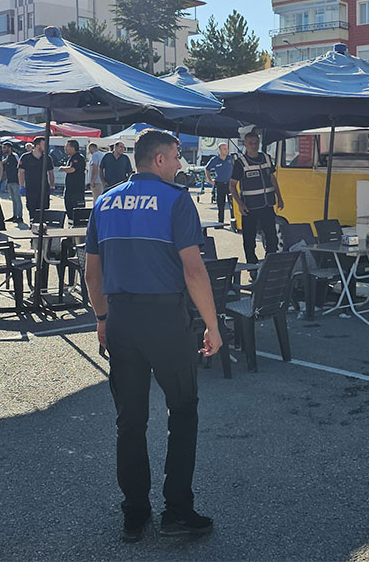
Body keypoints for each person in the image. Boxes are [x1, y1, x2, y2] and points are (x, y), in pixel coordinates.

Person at [84, 129, 220, 543]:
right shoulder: (177, 200)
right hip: (164, 318)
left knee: (130, 421)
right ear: (158, 160)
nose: (180, 164)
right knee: (183, 409)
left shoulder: (104, 202)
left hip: (121, 317)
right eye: (176, 156)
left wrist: (103, 317)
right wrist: (213, 326)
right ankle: (177, 509)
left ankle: (134, 515)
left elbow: (92, 273)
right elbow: (193, 271)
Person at [229, 131, 283, 264]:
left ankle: (269, 265)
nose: (254, 146)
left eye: (256, 143)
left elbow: (273, 179)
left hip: (267, 205)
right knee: (249, 239)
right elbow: (232, 185)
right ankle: (252, 267)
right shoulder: (240, 163)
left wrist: (280, 197)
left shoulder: (266, 158)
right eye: (251, 143)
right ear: (245, 144)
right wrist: (240, 204)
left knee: (272, 238)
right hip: (250, 207)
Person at [19, 135, 55, 222]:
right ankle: (33, 228)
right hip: (31, 189)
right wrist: (22, 186)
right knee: (32, 211)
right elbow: (21, 172)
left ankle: (43, 229)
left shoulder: (47, 158)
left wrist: (52, 186)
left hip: (44, 189)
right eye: (44, 144)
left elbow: (51, 173)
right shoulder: (25, 157)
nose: (46, 147)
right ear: (37, 145)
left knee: (44, 211)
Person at [203, 142, 234, 225]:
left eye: (227, 148)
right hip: (220, 184)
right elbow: (207, 169)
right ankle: (220, 223)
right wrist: (210, 180)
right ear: (219, 150)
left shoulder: (231, 158)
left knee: (233, 204)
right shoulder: (215, 160)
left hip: (230, 184)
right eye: (224, 149)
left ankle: (235, 223)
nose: (226, 150)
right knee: (221, 205)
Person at [58, 139, 86, 220]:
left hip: (76, 190)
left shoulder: (78, 157)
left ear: (73, 148)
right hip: (69, 189)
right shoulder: (71, 158)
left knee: (77, 211)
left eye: (67, 146)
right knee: (69, 210)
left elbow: (72, 169)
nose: (65, 148)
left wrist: (62, 168)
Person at [0, 142, 23, 223]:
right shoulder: (7, 157)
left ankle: (20, 216)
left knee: (17, 199)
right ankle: (14, 215)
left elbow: (20, 168)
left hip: (16, 181)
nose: (3, 149)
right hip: (9, 181)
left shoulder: (14, 156)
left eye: (4, 147)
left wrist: (21, 181)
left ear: (9, 148)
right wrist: (6, 182)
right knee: (13, 199)